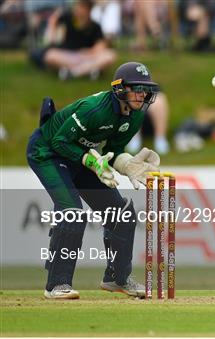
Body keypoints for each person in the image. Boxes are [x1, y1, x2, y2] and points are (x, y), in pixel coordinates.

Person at [27, 61, 162, 299]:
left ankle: (117, 278)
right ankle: (56, 285)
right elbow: (59, 141)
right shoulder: (94, 109)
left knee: (122, 213)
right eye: (136, 88)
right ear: (120, 89)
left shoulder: (136, 115)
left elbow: (114, 149)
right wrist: (91, 161)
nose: (142, 94)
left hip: (80, 155)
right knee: (72, 212)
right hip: (47, 152)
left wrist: (126, 163)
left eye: (145, 89)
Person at [29, 0, 116, 81]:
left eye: (81, 7)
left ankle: (73, 73)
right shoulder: (68, 19)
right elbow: (54, 20)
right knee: (50, 56)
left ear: (88, 10)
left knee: (109, 56)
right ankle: (90, 70)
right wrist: (52, 36)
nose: (77, 10)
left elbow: (100, 46)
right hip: (68, 56)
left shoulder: (95, 26)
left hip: (87, 56)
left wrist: (88, 52)